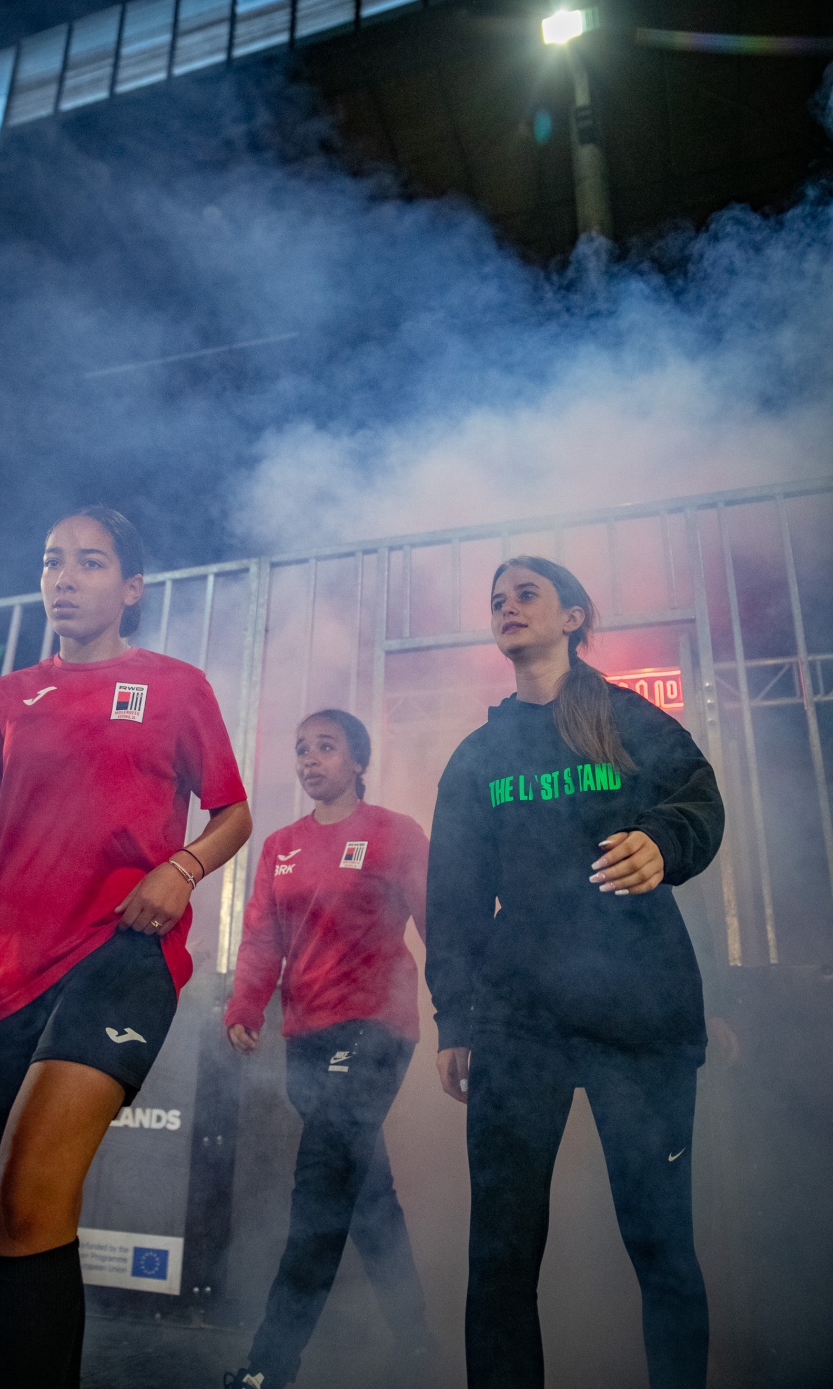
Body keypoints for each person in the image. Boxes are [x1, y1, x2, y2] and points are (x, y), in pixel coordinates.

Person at [0, 505, 252, 1389]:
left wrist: (183, 868)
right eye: (53, 561)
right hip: (8, 974)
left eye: (90, 562)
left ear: (132, 588)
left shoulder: (176, 686)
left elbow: (234, 813)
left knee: (26, 1198)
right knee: (26, 1221)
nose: (64, 577)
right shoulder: (4, 698)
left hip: (121, 956)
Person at [425, 556, 725, 1389]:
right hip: (518, 1023)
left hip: (640, 1013)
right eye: (497, 599)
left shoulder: (627, 720)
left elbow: (701, 801)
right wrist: (455, 1019)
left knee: (662, 1247)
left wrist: (663, 841)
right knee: (501, 1257)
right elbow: (453, 900)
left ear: (574, 616)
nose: (508, 606)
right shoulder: (479, 755)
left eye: (527, 593)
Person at [223, 709, 431, 1389]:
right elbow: (262, 938)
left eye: (326, 747)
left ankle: (268, 1367)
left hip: (376, 1028)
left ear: (359, 761)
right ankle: (417, 1345)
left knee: (318, 1191)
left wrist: (464, 1015)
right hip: (306, 1038)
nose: (310, 759)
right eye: (302, 749)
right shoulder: (280, 845)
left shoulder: (395, 832)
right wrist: (245, 1004)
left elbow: (436, 922)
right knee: (367, 1196)